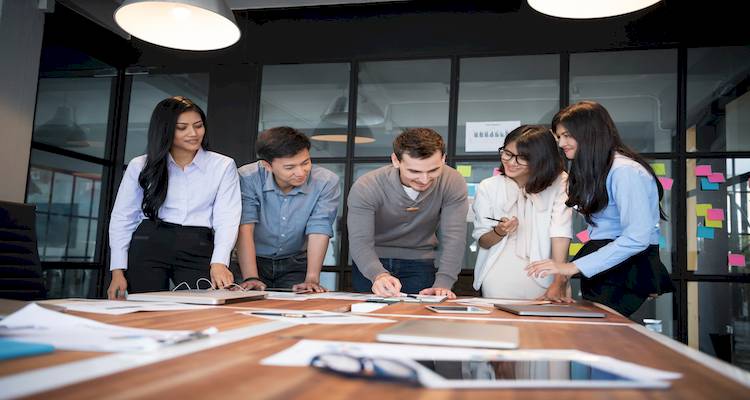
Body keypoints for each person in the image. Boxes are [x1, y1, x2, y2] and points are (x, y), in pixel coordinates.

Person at [526, 100, 674, 316]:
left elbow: (637, 237)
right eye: (559, 137)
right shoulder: (596, 169)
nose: (561, 143)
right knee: (599, 334)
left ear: (590, 134)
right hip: (609, 258)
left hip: (625, 264)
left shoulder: (626, 171)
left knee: (603, 336)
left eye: (567, 135)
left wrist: (570, 268)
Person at [107, 96, 240, 299]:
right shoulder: (141, 165)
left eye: (198, 126)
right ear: (165, 129)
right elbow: (123, 217)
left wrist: (220, 261)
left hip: (199, 244)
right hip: (150, 241)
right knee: (146, 312)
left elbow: (227, 218)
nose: (193, 133)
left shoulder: (222, 166)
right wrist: (117, 271)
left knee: (201, 311)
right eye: (182, 128)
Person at [348, 128, 468, 299]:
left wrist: (443, 283)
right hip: (371, 261)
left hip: (420, 262)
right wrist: (378, 274)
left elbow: (454, 237)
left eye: (433, 170)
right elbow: (360, 241)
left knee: (419, 321)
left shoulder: (452, 181)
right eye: (415, 172)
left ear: (443, 159)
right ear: (396, 160)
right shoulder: (367, 186)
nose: (425, 179)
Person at [472, 125, 572, 301]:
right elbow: (483, 241)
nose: (511, 162)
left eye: (522, 158)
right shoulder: (489, 187)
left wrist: (559, 281)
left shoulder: (560, 182)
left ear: (541, 159)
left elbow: (561, 233)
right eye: (507, 154)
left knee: (547, 327)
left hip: (544, 273)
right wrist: (499, 231)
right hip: (499, 274)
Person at [236, 126, 340, 292]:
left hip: (296, 261)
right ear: (267, 165)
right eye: (290, 167)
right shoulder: (247, 177)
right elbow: (245, 227)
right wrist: (251, 277)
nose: (300, 172)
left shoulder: (326, 181)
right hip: (251, 260)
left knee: (299, 308)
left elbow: (319, 228)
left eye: (305, 163)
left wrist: (312, 279)